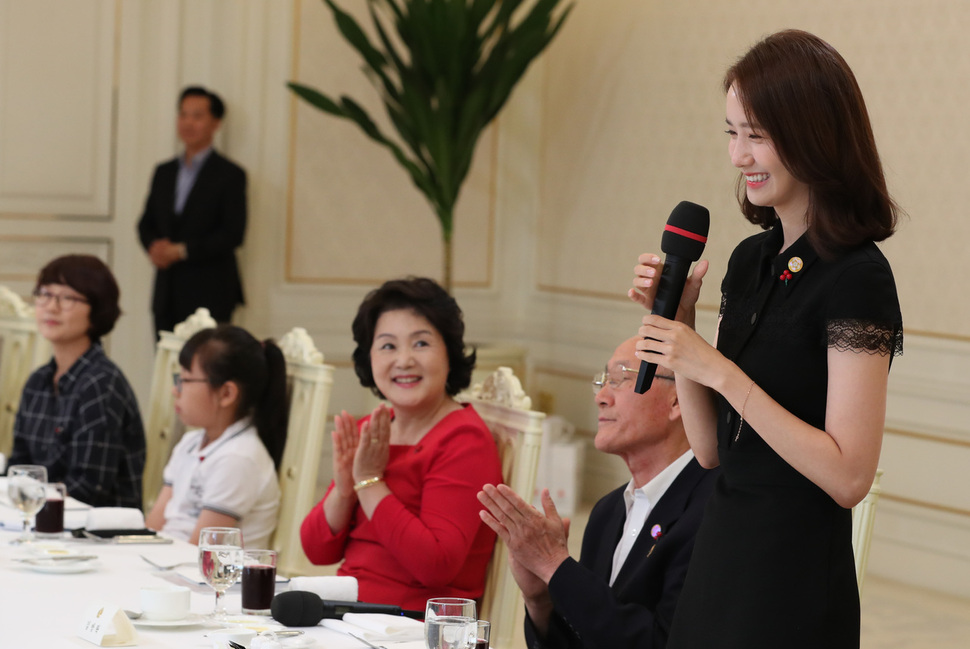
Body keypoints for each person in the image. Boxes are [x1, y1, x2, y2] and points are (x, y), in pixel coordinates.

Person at [629, 30, 903, 648]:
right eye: (732, 133)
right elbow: (709, 450)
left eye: (757, 134)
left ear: (813, 136)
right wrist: (685, 326)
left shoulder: (858, 277)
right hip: (721, 562)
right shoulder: (750, 260)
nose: (739, 155)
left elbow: (849, 476)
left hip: (795, 583)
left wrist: (720, 370)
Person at [478, 337, 718, 649]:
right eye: (603, 381)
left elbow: (663, 642)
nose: (601, 397)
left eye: (620, 379)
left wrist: (554, 564)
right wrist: (540, 599)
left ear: (678, 399)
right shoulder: (608, 511)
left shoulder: (713, 511)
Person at [300, 277, 503, 611]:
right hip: (348, 612)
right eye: (388, 346)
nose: (404, 360)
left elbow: (435, 565)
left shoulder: (464, 440)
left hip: (414, 626)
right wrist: (344, 488)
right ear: (369, 358)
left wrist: (368, 482)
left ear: (450, 354)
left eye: (421, 344)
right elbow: (316, 550)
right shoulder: (373, 431)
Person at [9, 255, 145, 508]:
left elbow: (89, 489)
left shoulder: (102, 384)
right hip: (43, 522)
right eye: (45, 294)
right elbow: (18, 468)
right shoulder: (38, 381)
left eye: (67, 298)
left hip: (95, 533)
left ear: (97, 309)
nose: (51, 307)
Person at [145, 325, 287, 548]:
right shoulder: (190, 443)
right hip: (170, 563)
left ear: (226, 393)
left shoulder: (239, 458)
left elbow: (200, 554)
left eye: (185, 380)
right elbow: (152, 530)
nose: (176, 390)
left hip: (206, 576)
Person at [137, 85, 247, 337]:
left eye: (197, 116)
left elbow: (233, 233)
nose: (188, 123)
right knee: (166, 368)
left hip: (211, 291)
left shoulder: (230, 175)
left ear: (215, 123)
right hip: (166, 291)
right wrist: (155, 247)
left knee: (207, 370)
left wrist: (181, 251)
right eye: (183, 115)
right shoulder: (163, 172)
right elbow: (145, 223)